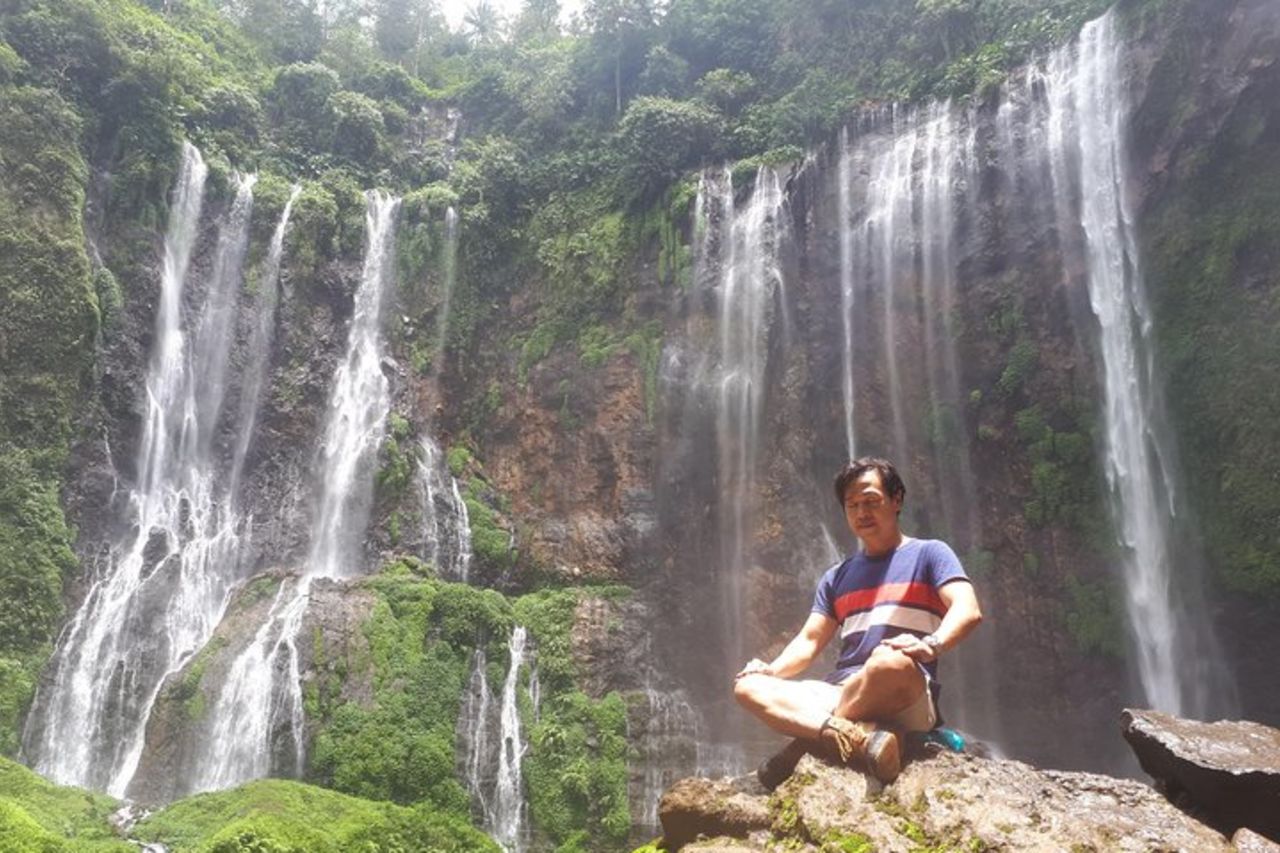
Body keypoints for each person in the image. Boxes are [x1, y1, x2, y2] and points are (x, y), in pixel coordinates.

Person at [732, 457, 983, 788]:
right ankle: (863, 737)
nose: (862, 513)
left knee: (886, 662)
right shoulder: (837, 576)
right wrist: (771, 670)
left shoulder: (930, 554)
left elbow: (968, 608)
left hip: (905, 689)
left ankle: (804, 746)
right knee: (747, 686)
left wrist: (930, 644)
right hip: (843, 690)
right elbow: (809, 640)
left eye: (871, 501)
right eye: (852, 505)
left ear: (896, 500)